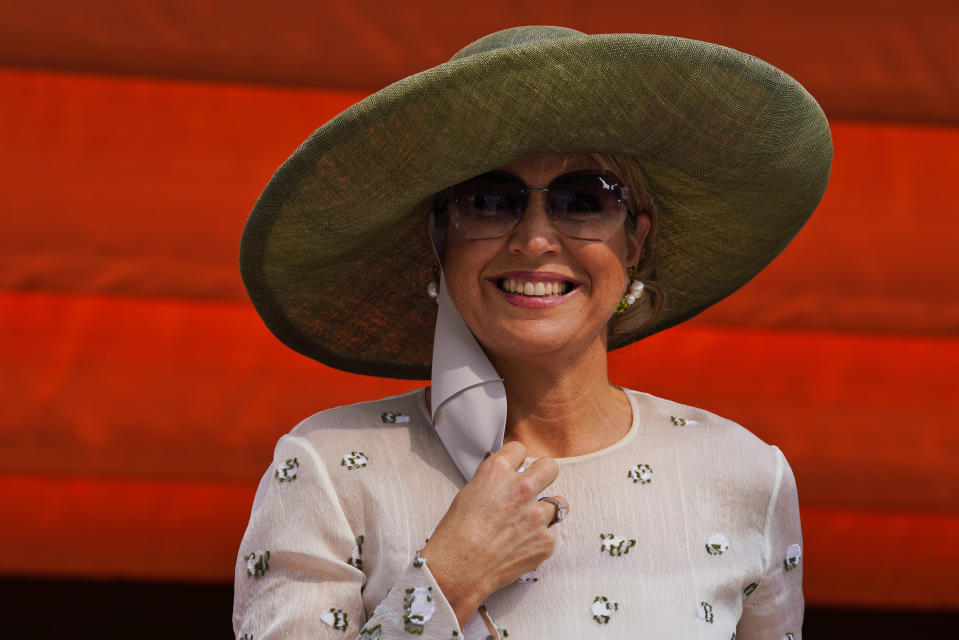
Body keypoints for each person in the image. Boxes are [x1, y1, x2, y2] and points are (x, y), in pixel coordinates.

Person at [233, 26, 831, 640]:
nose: (536, 239)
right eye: (491, 200)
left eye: (583, 199)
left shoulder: (745, 475)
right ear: (439, 242)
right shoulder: (329, 471)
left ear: (636, 240)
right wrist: (447, 581)